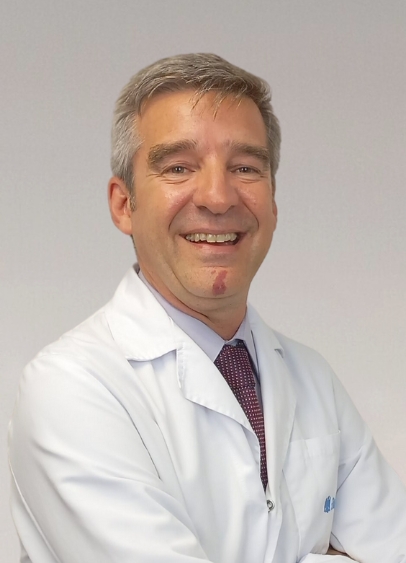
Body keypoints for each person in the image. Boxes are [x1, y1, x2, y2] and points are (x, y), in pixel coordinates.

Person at [8, 53, 406, 563]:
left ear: (273, 203)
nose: (218, 197)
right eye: (178, 167)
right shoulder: (69, 389)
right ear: (124, 205)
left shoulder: (312, 378)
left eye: (245, 168)